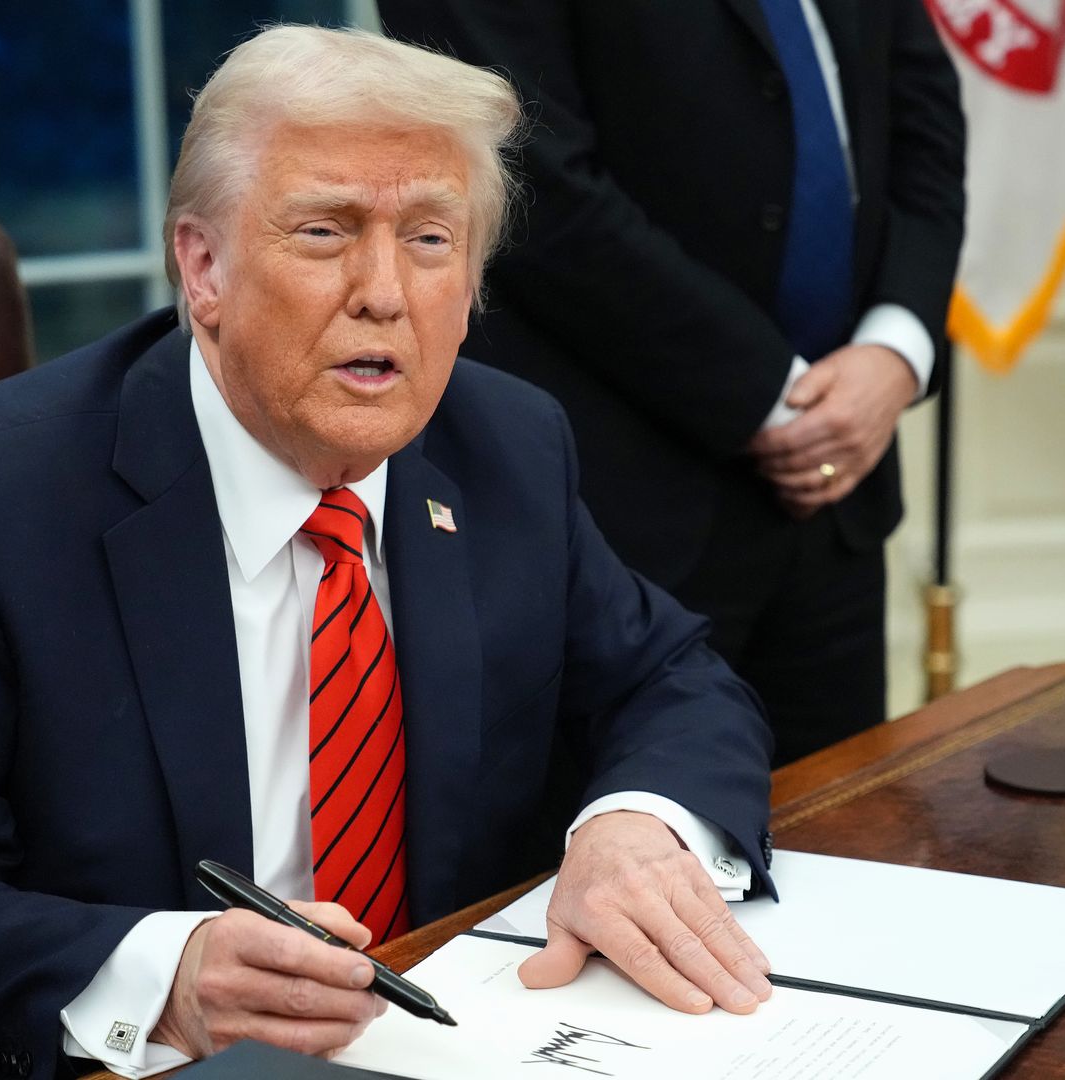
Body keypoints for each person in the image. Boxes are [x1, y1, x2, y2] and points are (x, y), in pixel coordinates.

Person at [0, 26, 778, 1080]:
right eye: (324, 232)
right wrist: (166, 974)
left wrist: (636, 827)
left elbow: (670, 676)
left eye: (430, 239)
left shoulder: (503, 446)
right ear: (203, 265)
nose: (384, 293)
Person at [380, 0, 967, 763]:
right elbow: (526, 175)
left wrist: (897, 349)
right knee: (622, 861)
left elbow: (925, 118)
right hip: (612, 512)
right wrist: (772, 396)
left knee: (840, 845)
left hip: (837, 497)